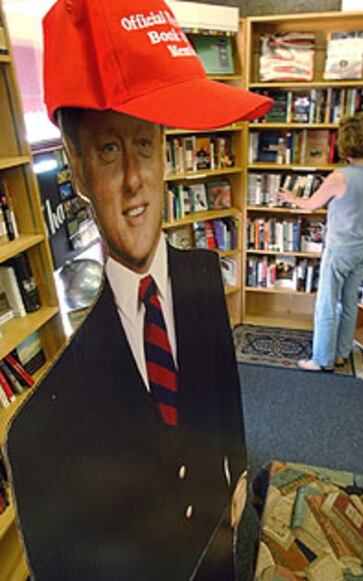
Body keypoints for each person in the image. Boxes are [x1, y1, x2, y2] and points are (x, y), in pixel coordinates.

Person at [5, 0, 272, 579]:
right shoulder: (42, 414)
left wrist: (241, 478)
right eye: (107, 149)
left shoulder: (203, 274)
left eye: (145, 144)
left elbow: (225, 398)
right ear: (74, 167)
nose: (134, 181)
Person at [278, 113, 363, 372]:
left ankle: (321, 359)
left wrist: (291, 196)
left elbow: (311, 204)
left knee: (326, 304)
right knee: (348, 302)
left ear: (345, 145)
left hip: (339, 249)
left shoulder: (340, 176)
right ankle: (341, 352)